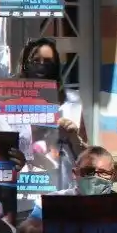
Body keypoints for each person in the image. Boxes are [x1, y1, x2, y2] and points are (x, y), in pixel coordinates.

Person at [16, 37, 86, 188]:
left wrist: (73, 136)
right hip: (23, 188)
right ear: (25, 65)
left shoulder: (72, 102)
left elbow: (86, 156)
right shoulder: (9, 103)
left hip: (60, 188)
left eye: (48, 62)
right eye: (36, 61)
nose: (42, 66)